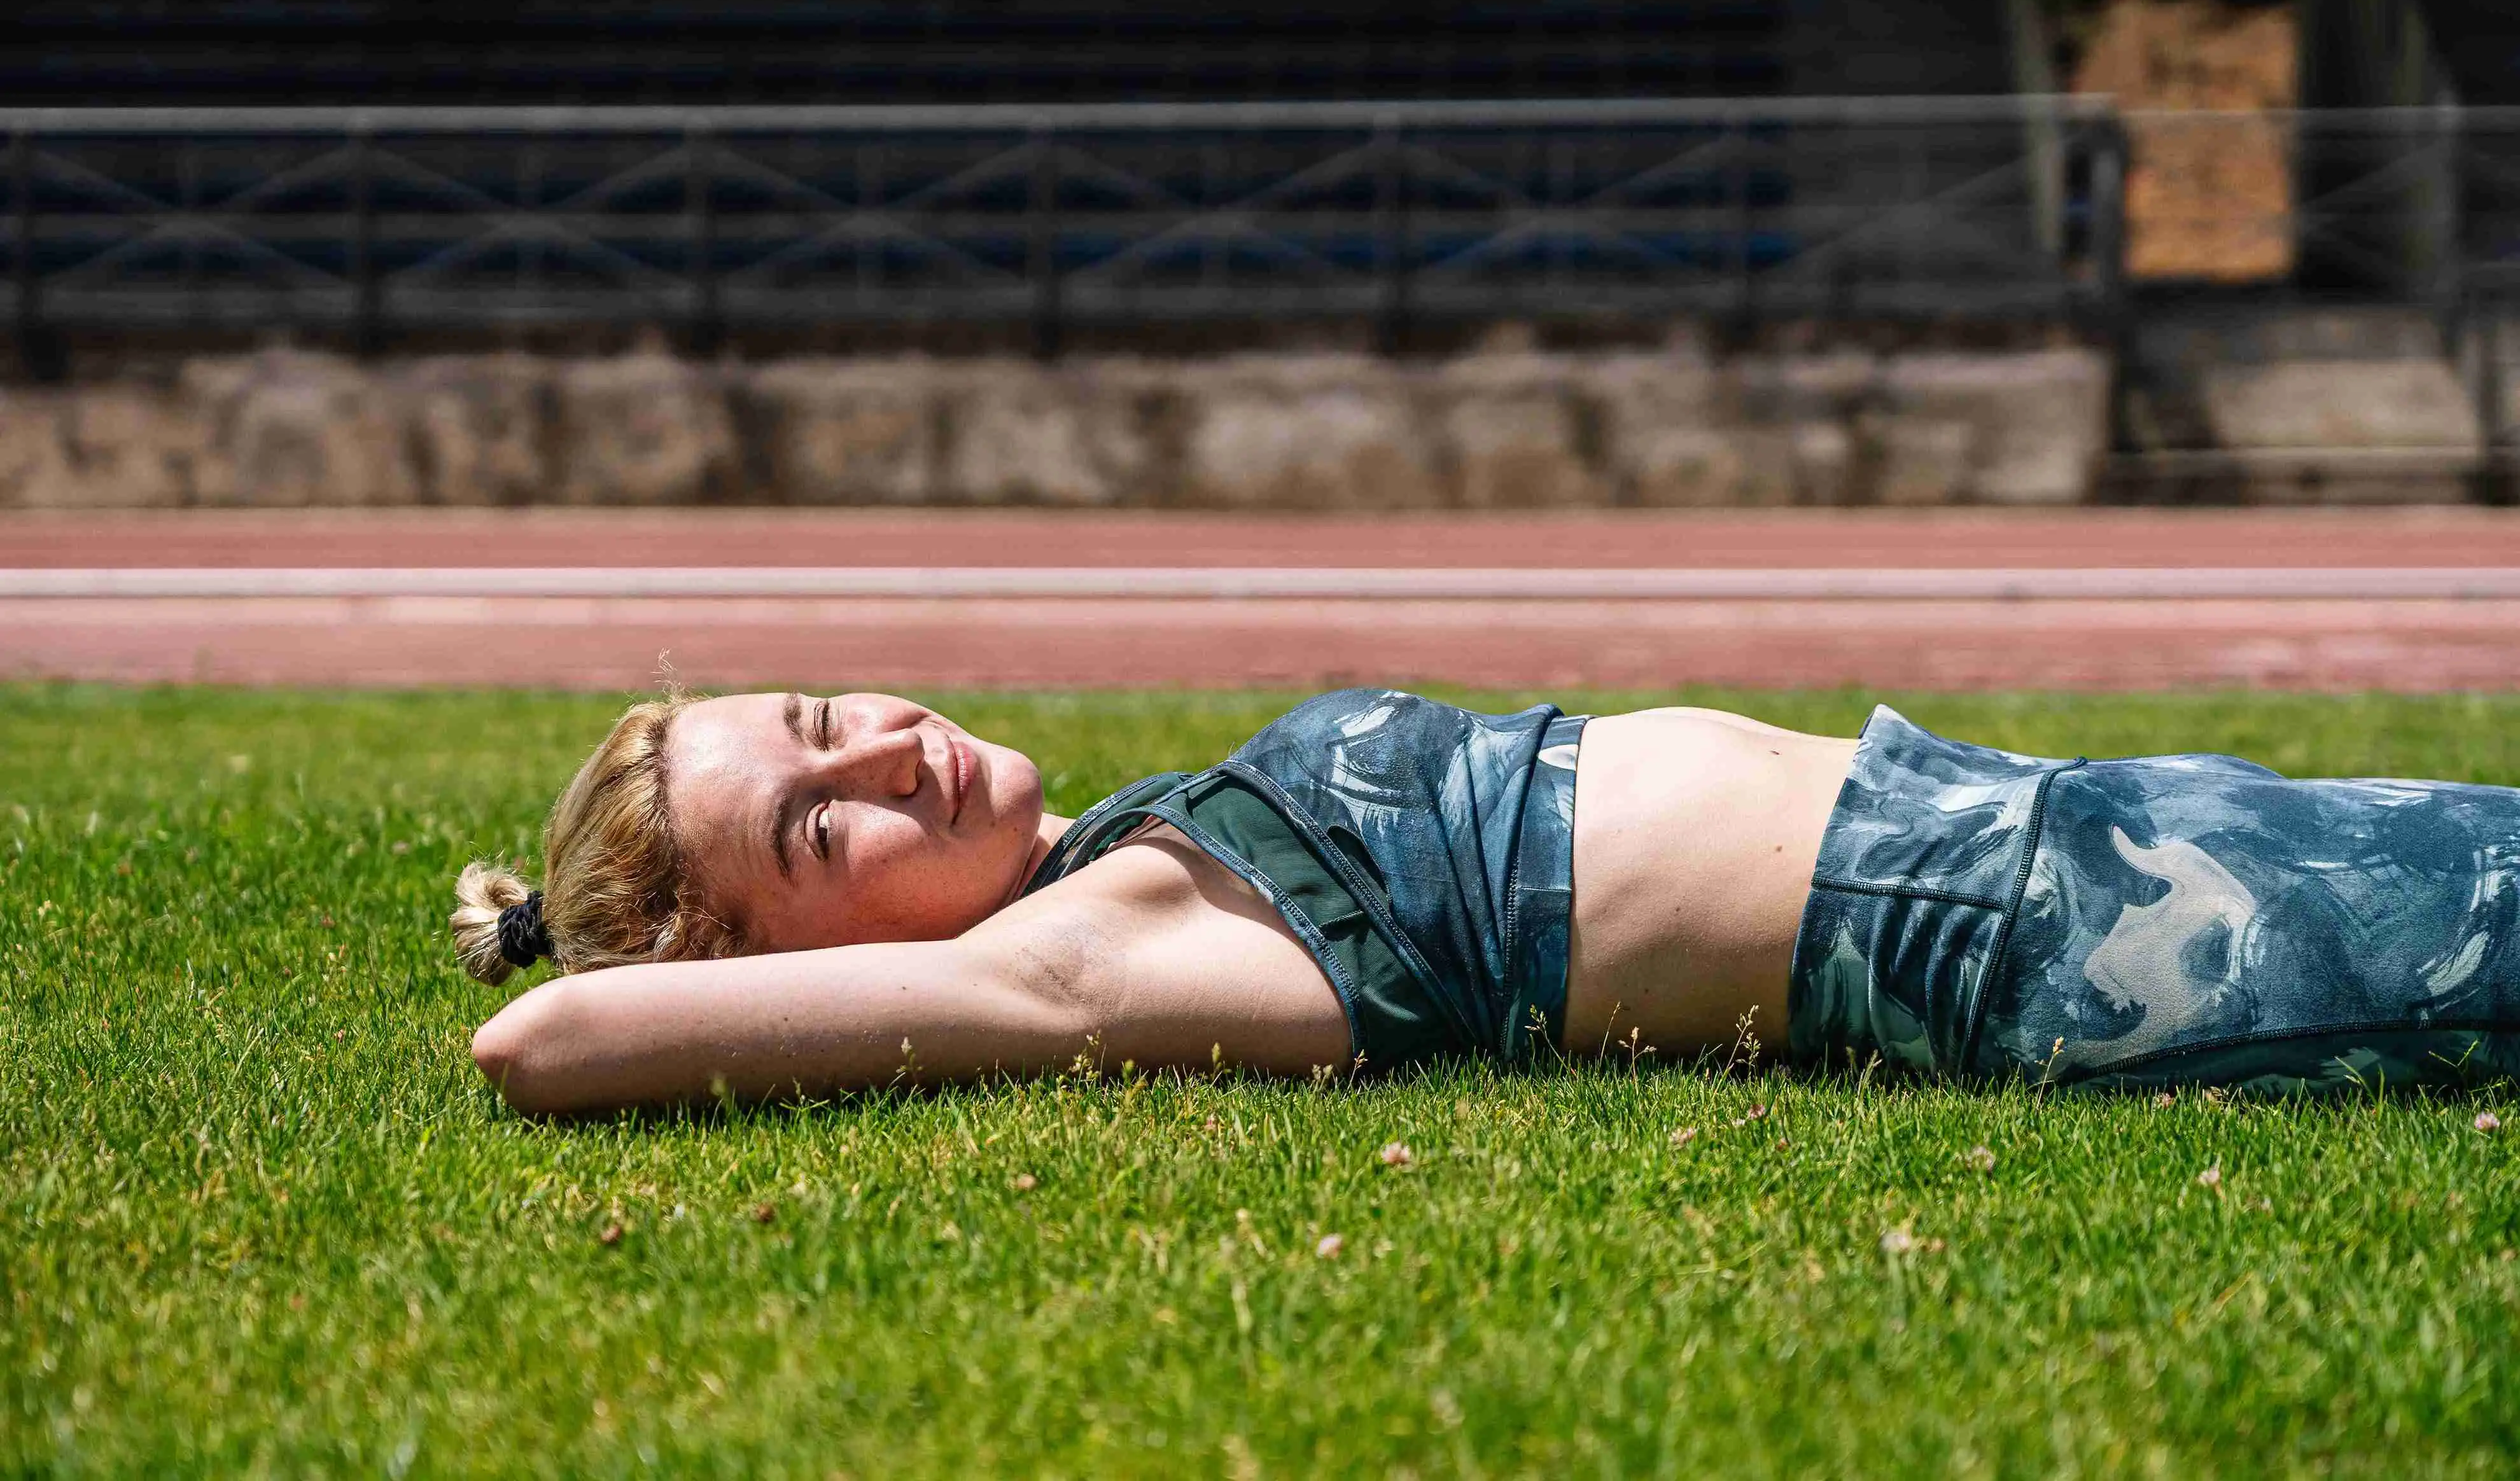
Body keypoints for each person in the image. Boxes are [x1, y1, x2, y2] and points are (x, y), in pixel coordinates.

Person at [457, 688, 2520, 1115]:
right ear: (809, 953)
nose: (886, 753)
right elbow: (537, 1041)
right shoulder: (1067, 959)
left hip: (2023, 815)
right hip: (2018, 931)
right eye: (822, 828)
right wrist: (648, 965)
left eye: (823, 714)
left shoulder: (1108, 849)